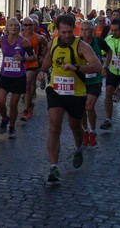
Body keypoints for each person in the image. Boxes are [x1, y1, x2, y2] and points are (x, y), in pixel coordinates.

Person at [37, 14, 102, 184]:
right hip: (56, 90)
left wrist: (77, 67)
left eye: (70, 32)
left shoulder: (82, 46)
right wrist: (42, 73)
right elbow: (47, 62)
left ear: (75, 29)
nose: (67, 35)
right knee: (54, 127)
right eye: (63, 32)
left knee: (75, 127)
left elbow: (97, 66)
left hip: (76, 93)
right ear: (58, 30)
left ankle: (78, 147)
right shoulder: (53, 44)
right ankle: (54, 167)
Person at [0, 18, 36, 138]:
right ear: (7, 27)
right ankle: (5, 118)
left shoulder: (24, 41)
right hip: (5, 76)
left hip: (18, 77)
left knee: (13, 105)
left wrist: (24, 59)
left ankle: (12, 127)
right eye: (11, 25)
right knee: (0, 102)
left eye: (16, 25)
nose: (14, 27)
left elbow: (33, 57)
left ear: (19, 27)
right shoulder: (2, 39)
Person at [78, 20, 109, 148]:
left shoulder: (99, 42)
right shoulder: (77, 42)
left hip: (95, 79)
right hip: (81, 80)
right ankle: (85, 131)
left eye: (87, 30)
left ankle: (93, 131)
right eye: (82, 30)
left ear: (92, 30)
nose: (84, 32)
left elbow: (109, 52)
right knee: (82, 109)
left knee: (89, 107)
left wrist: (105, 66)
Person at [20, 17, 48, 122]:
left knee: (28, 84)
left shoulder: (39, 37)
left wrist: (43, 56)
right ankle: (30, 104)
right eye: (26, 25)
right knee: (30, 86)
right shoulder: (19, 37)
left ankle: (26, 110)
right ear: (22, 26)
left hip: (33, 63)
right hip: (22, 63)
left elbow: (47, 46)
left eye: (30, 25)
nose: (28, 27)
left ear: (34, 26)